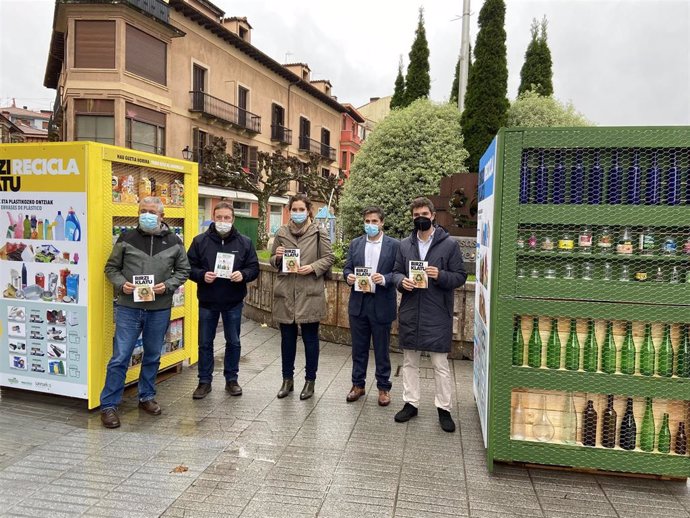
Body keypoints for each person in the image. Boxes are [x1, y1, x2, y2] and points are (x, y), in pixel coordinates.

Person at [100, 197, 190, 428]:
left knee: (152, 355)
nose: (147, 215)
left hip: (158, 309)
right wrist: (122, 284)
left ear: (162, 216)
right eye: (143, 211)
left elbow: (183, 270)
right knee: (120, 356)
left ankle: (146, 397)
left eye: (151, 211)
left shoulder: (174, 241)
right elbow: (111, 268)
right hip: (129, 307)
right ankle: (109, 405)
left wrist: (167, 286)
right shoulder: (126, 238)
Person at [392, 197, 467, 432]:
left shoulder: (449, 244)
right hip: (411, 310)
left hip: (437, 312)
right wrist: (402, 282)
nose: (420, 218)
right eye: (416, 215)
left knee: (440, 364)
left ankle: (444, 408)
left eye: (424, 214)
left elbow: (460, 276)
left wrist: (440, 275)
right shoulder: (405, 245)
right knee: (409, 362)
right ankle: (410, 403)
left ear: (433, 215)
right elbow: (394, 273)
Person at [187, 202, 259, 399]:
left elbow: (254, 268)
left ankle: (231, 379)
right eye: (219, 218)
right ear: (213, 217)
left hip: (233, 301)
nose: (223, 222)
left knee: (233, 342)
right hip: (208, 300)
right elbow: (188, 267)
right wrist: (202, 275)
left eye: (227, 218)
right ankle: (204, 381)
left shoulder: (244, 242)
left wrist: (243, 274)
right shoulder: (200, 241)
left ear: (233, 219)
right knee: (204, 343)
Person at [270, 193, 334, 400]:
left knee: (310, 339)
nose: (297, 213)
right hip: (286, 292)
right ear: (289, 211)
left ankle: (310, 381)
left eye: (301, 209)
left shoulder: (318, 232)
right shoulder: (281, 232)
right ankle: (287, 380)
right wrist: (277, 257)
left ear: (308, 211)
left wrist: (312, 267)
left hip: (309, 292)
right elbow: (272, 260)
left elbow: (328, 257)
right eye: (294, 209)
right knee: (286, 339)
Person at [342, 206, 399, 406]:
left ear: (382, 223)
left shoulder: (394, 245)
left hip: (381, 302)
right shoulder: (355, 244)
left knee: (382, 349)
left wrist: (383, 278)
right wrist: (348, 276)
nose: (371, 225)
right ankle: (358, 385)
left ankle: (383, 388)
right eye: (367, 221)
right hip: (359, 303)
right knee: (359, 348)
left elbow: (398, 273)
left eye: (374, 221)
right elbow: (347, 267)